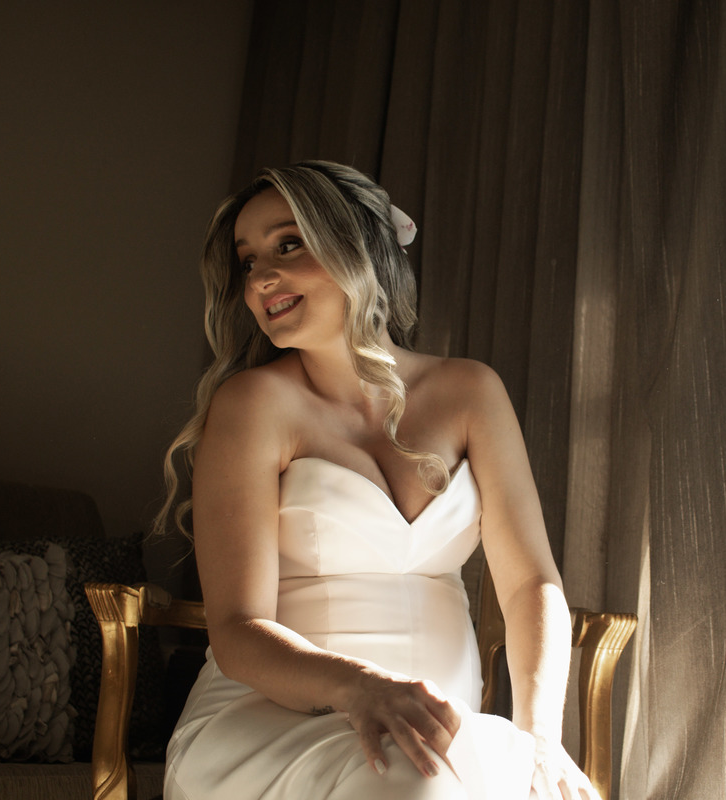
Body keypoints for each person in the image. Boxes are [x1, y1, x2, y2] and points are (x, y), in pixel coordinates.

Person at [155, 161, 596, 800]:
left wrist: (541, 741)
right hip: (273, 720)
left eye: (288, 244)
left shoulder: (471, 391)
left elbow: (532, 584)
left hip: (440, 727)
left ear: (359, 248)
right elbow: (237, 629)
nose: (261, 278)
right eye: (248, 261)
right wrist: (361, 687)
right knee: (413, 782)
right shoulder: (253, 405)